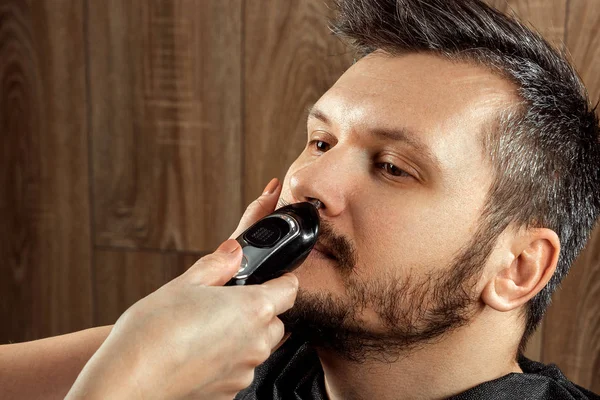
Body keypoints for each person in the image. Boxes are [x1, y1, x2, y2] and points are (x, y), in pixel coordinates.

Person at [1, 0, 599, 399]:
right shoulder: (247, 357)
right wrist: (145, 354)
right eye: (320, 140)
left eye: (392, 167)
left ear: (517, 268)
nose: (308, 182)